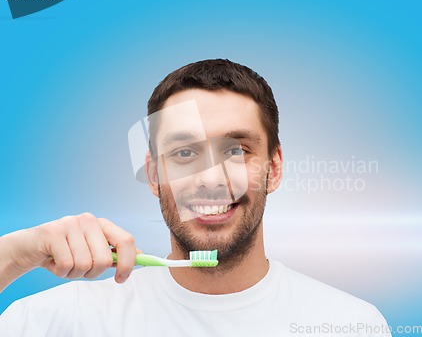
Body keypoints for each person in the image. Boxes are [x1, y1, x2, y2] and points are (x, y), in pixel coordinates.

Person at [0, 59, 391, 336]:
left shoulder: (353, 324)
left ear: (274, 168)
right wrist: (15, 254)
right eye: (185, 153)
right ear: (154, 175)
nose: (210, 180)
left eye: (236, 150)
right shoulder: (58, 321)